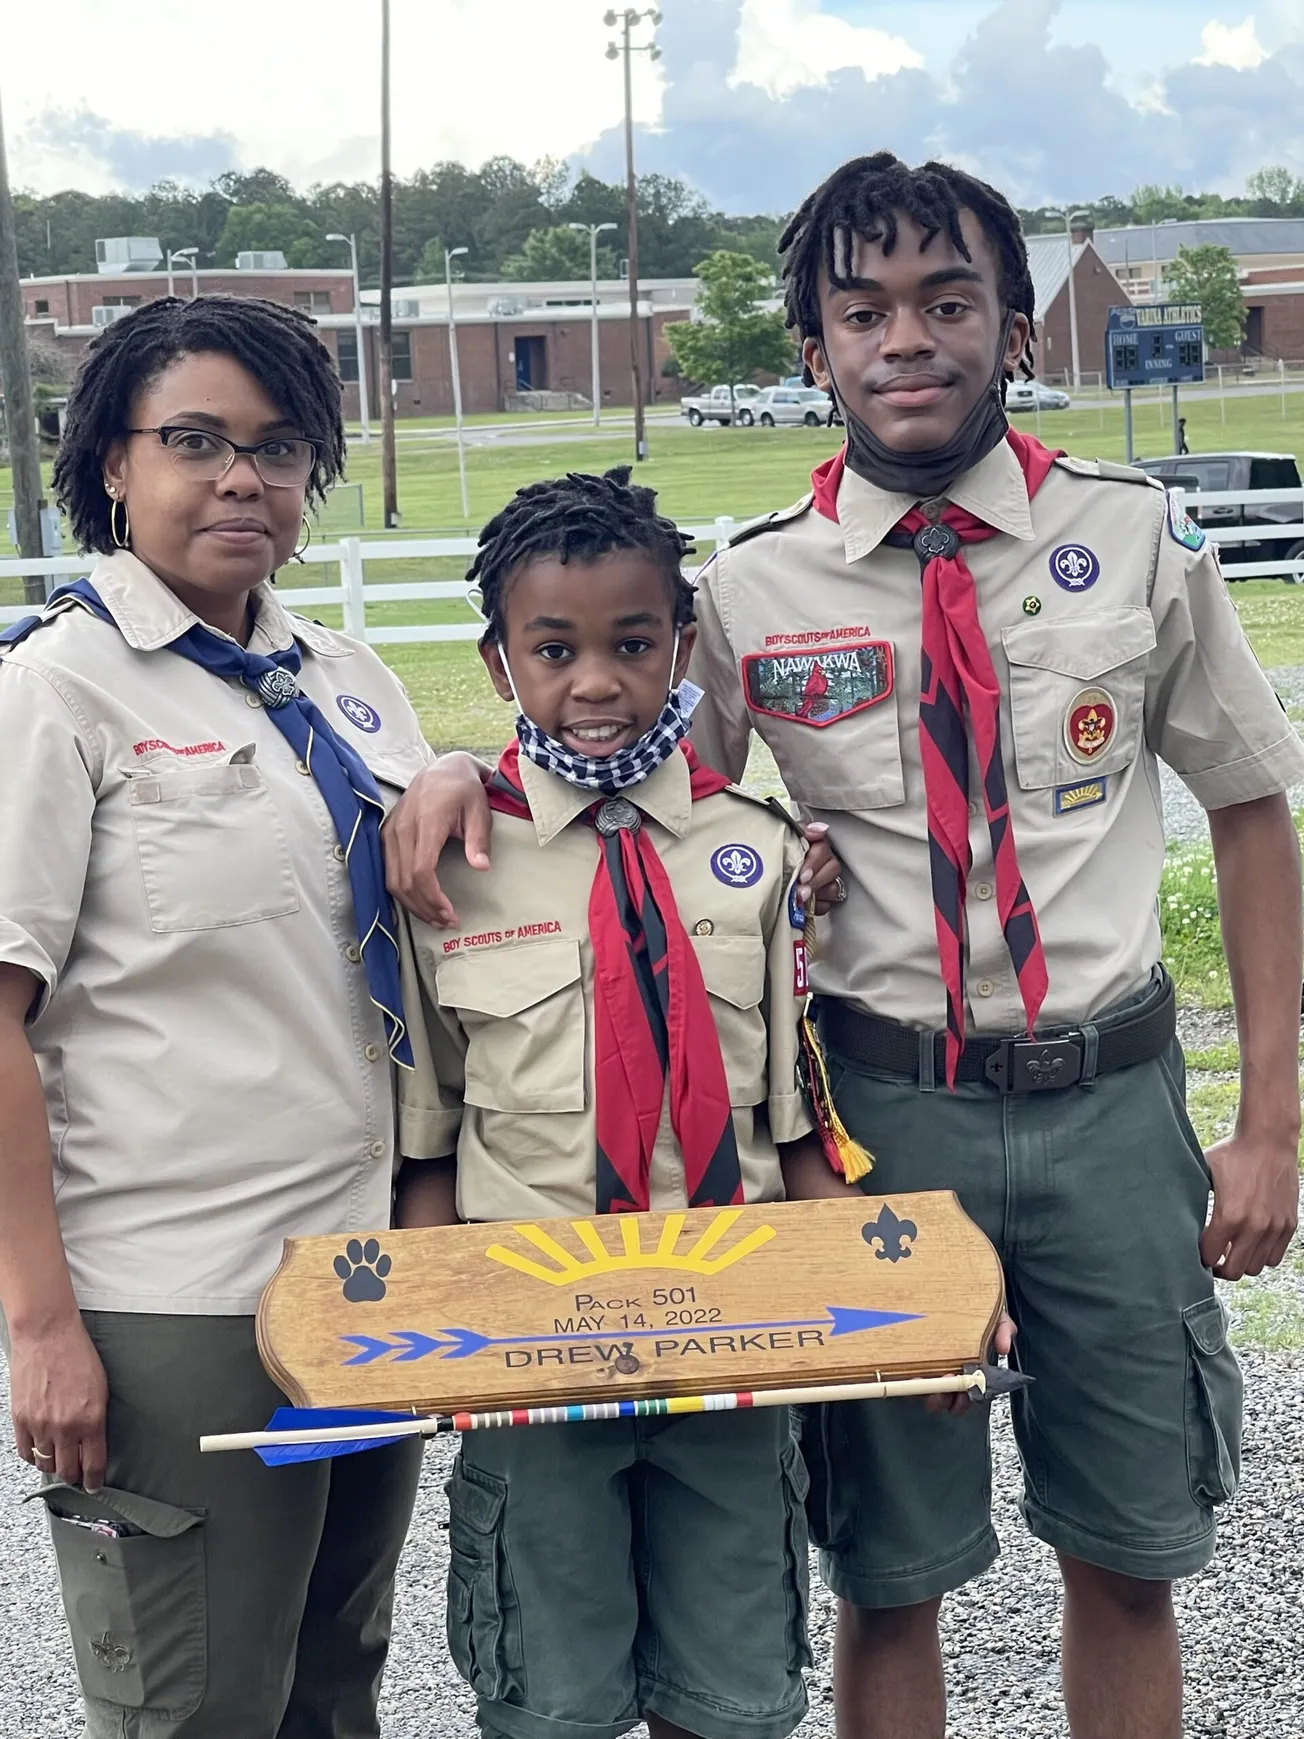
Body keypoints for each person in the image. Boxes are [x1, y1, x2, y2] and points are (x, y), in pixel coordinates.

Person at [385, 155, 1304, 1739]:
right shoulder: (744, 587)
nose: (907, 339)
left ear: (1013, 322)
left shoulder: (1137, 541)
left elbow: (1249, 812)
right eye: (861, 309)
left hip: (1112, 1107)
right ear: (811, 349)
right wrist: (471, 767)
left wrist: (1270, 1117)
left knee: (1133, 1552)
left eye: (948, 301)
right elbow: (634, 789)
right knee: (891, 1566)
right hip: (877, 1123)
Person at [0, 295, 435, 1737]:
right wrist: (43, 1323)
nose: (244, 477)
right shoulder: (58, 690)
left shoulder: (349, 684)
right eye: (195, 440)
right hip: (176, 1295)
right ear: (113, 464)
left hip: (364, 1277)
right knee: (194, 1709)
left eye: (279, 446)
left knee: (331, 1683)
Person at [394, 466, 859, 1739]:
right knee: (550, 1701)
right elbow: (427, 1135)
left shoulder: (754, 851)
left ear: (683, 649)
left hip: (730, 1341)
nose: (594, 682)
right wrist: (437, 1335)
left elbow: (792, 1121)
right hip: (534, 1348)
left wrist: (905, 1306)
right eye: (553, 648)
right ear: (499, 665)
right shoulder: (447, 868)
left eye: (631, 643)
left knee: (733, 1696)